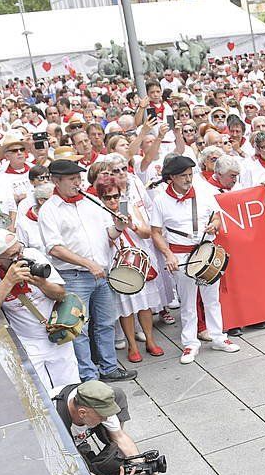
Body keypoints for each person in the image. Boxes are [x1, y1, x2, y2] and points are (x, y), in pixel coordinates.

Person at [38, 158, 137, 383]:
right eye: (72, 179)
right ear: (56, 180)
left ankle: (109, 367)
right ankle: (88, 374)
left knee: (105, 323)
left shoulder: (90, 200)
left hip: (102, 273)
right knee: (79, 329)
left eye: (79, 178)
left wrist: (119, 227)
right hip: (75, 276)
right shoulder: (49, 210)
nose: (78, 183)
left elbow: (108, 234)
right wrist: (87, 263)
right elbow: (54, 248)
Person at [148, 155, 240, 364]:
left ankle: (218, 337)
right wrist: (168, 255)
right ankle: (190, 343)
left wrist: (214, 225)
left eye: (190, 174)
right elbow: (155, 232)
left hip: (206, 250)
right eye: (183, 176)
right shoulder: (161, 200)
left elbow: (217, 216)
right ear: (171, 177)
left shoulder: (204, 192)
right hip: (181, 253)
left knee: (212, 298)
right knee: (188, 302)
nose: (188, 179)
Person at [0, 228, 80, 391]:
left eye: (20, 250)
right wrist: (8, 281)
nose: (21, 257)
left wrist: (42, 284)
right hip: (28, 343)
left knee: (71, 389)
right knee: (41, 394)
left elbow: (60, 294)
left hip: (57, 334)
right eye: (14, 255)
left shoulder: (33, 255)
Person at [96, 176, 165, 363]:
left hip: (138, 257)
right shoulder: (98, 213)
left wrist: (131, 224)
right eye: (107, 197)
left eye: (115, 196)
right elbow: (102, 241)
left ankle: (150, 340)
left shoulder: (129, 207)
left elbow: (146, 232)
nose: (112, 200)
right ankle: (132, 346)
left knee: (144, 304)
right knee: (126, 307)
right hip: (116, 260)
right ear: (101, 198)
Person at [53, 379, 143, 475]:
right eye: (102, 416)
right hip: (58, 445)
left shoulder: (94, 400)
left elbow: (120, 437)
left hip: (76, 429)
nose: (106, 419)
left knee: (118, 394)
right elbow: (70, 468)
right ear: (82, 412)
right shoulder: (54, 424)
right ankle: (81, 449)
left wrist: (139, 464)